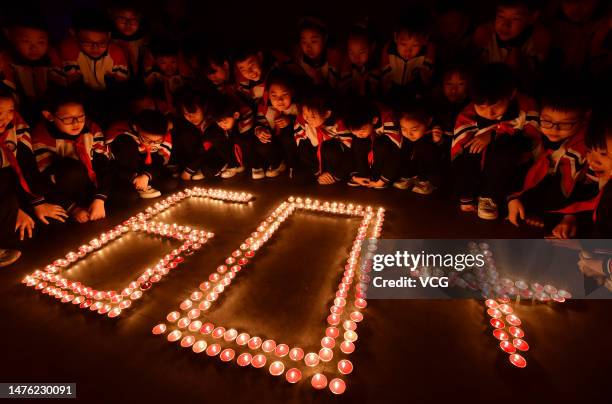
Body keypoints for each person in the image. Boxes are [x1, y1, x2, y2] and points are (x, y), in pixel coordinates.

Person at [507, 81, 598, 237]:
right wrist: (514, 198)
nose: (554, 129)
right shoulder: (535, 132)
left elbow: (590, 186)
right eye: (547, 121)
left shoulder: (588, 147)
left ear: (584, 119)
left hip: (575, 200)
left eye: (565, 124)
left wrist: (570, 216)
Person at [452, 63, 540, 220]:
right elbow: (459, 149)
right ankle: (470, 195)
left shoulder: (526, 107)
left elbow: (531, 140)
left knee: (505, 148)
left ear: (511, 94)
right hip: (479, 166)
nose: (489, 113)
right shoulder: (468, 114)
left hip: (511, 163)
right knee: (469, 150)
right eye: (481, 107)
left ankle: (490, 197)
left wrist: (494, 134)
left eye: (495, 107)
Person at [0, 89, 66, 266]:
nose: (5, 118)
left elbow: (26, 167)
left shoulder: (15, 127)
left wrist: (37, 203)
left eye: (10, 111)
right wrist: (13, 210)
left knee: (48, 224)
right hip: (4, 200)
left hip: (13, 194)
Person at [31, 90, 111, 223]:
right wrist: (73, 208)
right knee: (71, 169)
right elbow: (42, 180)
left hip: (92, 185)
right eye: (67, 119)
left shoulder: (91, 128)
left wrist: (100, 198)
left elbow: (104, 165)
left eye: (80, 117)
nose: (76, 123)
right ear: (49, 116)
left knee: (127, 197)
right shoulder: (42, 137)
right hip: (63, 191)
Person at [472, 0, 551, 89]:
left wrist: (515, 47)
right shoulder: (485, 34)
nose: (505, 25)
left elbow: (517, 76)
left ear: (532, 17)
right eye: (501, 16)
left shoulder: (539, 37)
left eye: (515, 18)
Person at [107, 109, 177, 199]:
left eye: (157, 141)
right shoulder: (121, 136)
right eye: (147, 139)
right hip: (126, 173)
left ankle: (145, 182)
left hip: (147, 169)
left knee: (170, 184)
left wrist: (147, 175)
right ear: (136, 127)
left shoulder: (163, 134)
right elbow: (113, 166)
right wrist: (134, 178)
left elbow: (159, 161)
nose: (152, 144)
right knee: (130, 197)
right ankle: (137, 184)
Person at [59, 9, 129, 91]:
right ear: (74, 34)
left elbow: (121, 85)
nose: (95, 48)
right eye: (88, 42)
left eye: (102, 43)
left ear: (109, 36)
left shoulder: (116, 54)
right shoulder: (67, 50)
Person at [294, 87, 352, 185]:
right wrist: (316, 172)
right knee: (298, 176)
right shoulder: (303, 121)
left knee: (329, 148)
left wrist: (335, 175)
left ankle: (330, 177)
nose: (307, 119)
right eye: (305, 115)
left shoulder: (339, 124)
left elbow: (349, 153)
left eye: (312, 116)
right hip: (315, 159)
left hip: (335, 160)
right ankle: (320, 175)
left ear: (327, 114)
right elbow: (303, 148)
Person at [3, 14, 64, 107]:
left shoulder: (52, 62)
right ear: (10, 36)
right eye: (26, 41)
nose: (34, 48)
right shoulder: (6, 65)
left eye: (41, 42)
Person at [342, 96, 400, 189]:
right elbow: (349, 150)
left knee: (382, 145)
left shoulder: (389, 119)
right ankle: (362, 175)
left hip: (386, 148)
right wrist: (354, 176)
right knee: (358, 142)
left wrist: (383, 180)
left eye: (361, 130)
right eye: (354, 131)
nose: (358, 134)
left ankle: (378, 177)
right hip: (372, 137)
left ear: (374, 120)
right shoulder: (356, 124)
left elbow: (396, 152)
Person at [380, 8, 435, 102]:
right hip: (392, 96)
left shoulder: (425, 56)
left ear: (424, 41)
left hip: (413, 96)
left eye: (415, 45)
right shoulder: (389, 53)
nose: (408, 51)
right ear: (396, 37)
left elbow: (427, 82)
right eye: (403, 44)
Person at [253, 73, 298, 178]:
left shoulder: (297, 108)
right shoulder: (265, 109)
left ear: (292, 92)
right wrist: (260, 131)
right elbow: (259, 123)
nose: (279, 100)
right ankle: (277, 163)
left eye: (284, 94)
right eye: (274, 96)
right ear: (268, 95)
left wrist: (290, 120)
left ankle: (294, 166)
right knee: (260, 142)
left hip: (293, 146)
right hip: (276, 144)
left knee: (288, 136)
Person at [292, 17, 349, 90]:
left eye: (314, 41)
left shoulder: (334, 58)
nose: (308, 47)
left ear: (325, 38)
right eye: (304, 42)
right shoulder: (299, 58)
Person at [110, 3, 147, 78]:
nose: (128, 24)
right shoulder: (109, 39)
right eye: (122, 19)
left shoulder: (144, 41)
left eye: (133, 20)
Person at [343, 24, 381, 98]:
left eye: (361, 52)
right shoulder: (348, 66)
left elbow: (372, 96)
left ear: (372, 47)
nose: (356, 58)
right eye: (351, 53)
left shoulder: (375, 69)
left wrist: (362, 84)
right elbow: (342, 92)